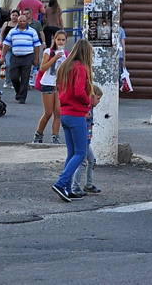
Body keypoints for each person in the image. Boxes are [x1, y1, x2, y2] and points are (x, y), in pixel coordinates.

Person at [52, 39, 94, 202]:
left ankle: (67, 188)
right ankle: (62, 183)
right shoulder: (81, 68)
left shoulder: (65, 67)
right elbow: (79, 91)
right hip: (77, 114)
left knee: (72, 153)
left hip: (65, 113)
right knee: (81, 152)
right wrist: (87, 103)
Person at [33, 30, 67, 144]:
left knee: (58, 112)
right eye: (59, 40)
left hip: (59, 84)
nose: (61, 42)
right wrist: (55, 58)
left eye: (63, 40)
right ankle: (38, 134)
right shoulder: (49, 51)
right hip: (47, 83)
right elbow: (42, 68)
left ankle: (55, 136)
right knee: (48, 113)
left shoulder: (66, 54)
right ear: (55, 40)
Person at [4, 10, 42, 104]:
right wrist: (2, 56)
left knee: (25, 78)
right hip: (15, 56)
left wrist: (36, 58)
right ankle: (18, 92)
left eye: (23, 21)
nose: (22, 23)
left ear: (26, 22)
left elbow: (37, 46)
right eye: (20, 21)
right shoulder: (12, 31)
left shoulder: (32, 31)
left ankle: (22, 97)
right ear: (17, 21)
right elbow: (6, 44)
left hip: (27, 56)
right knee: (14, 77)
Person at [75, 84, 104, 196]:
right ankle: (75, 186)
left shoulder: (90, 107)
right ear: (92, 96)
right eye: (98, 99)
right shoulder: (85, 107)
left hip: (87, 139)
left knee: (91, 160)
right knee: (82, 162)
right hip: (83, 138)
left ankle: (88, 184)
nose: (99, 102)